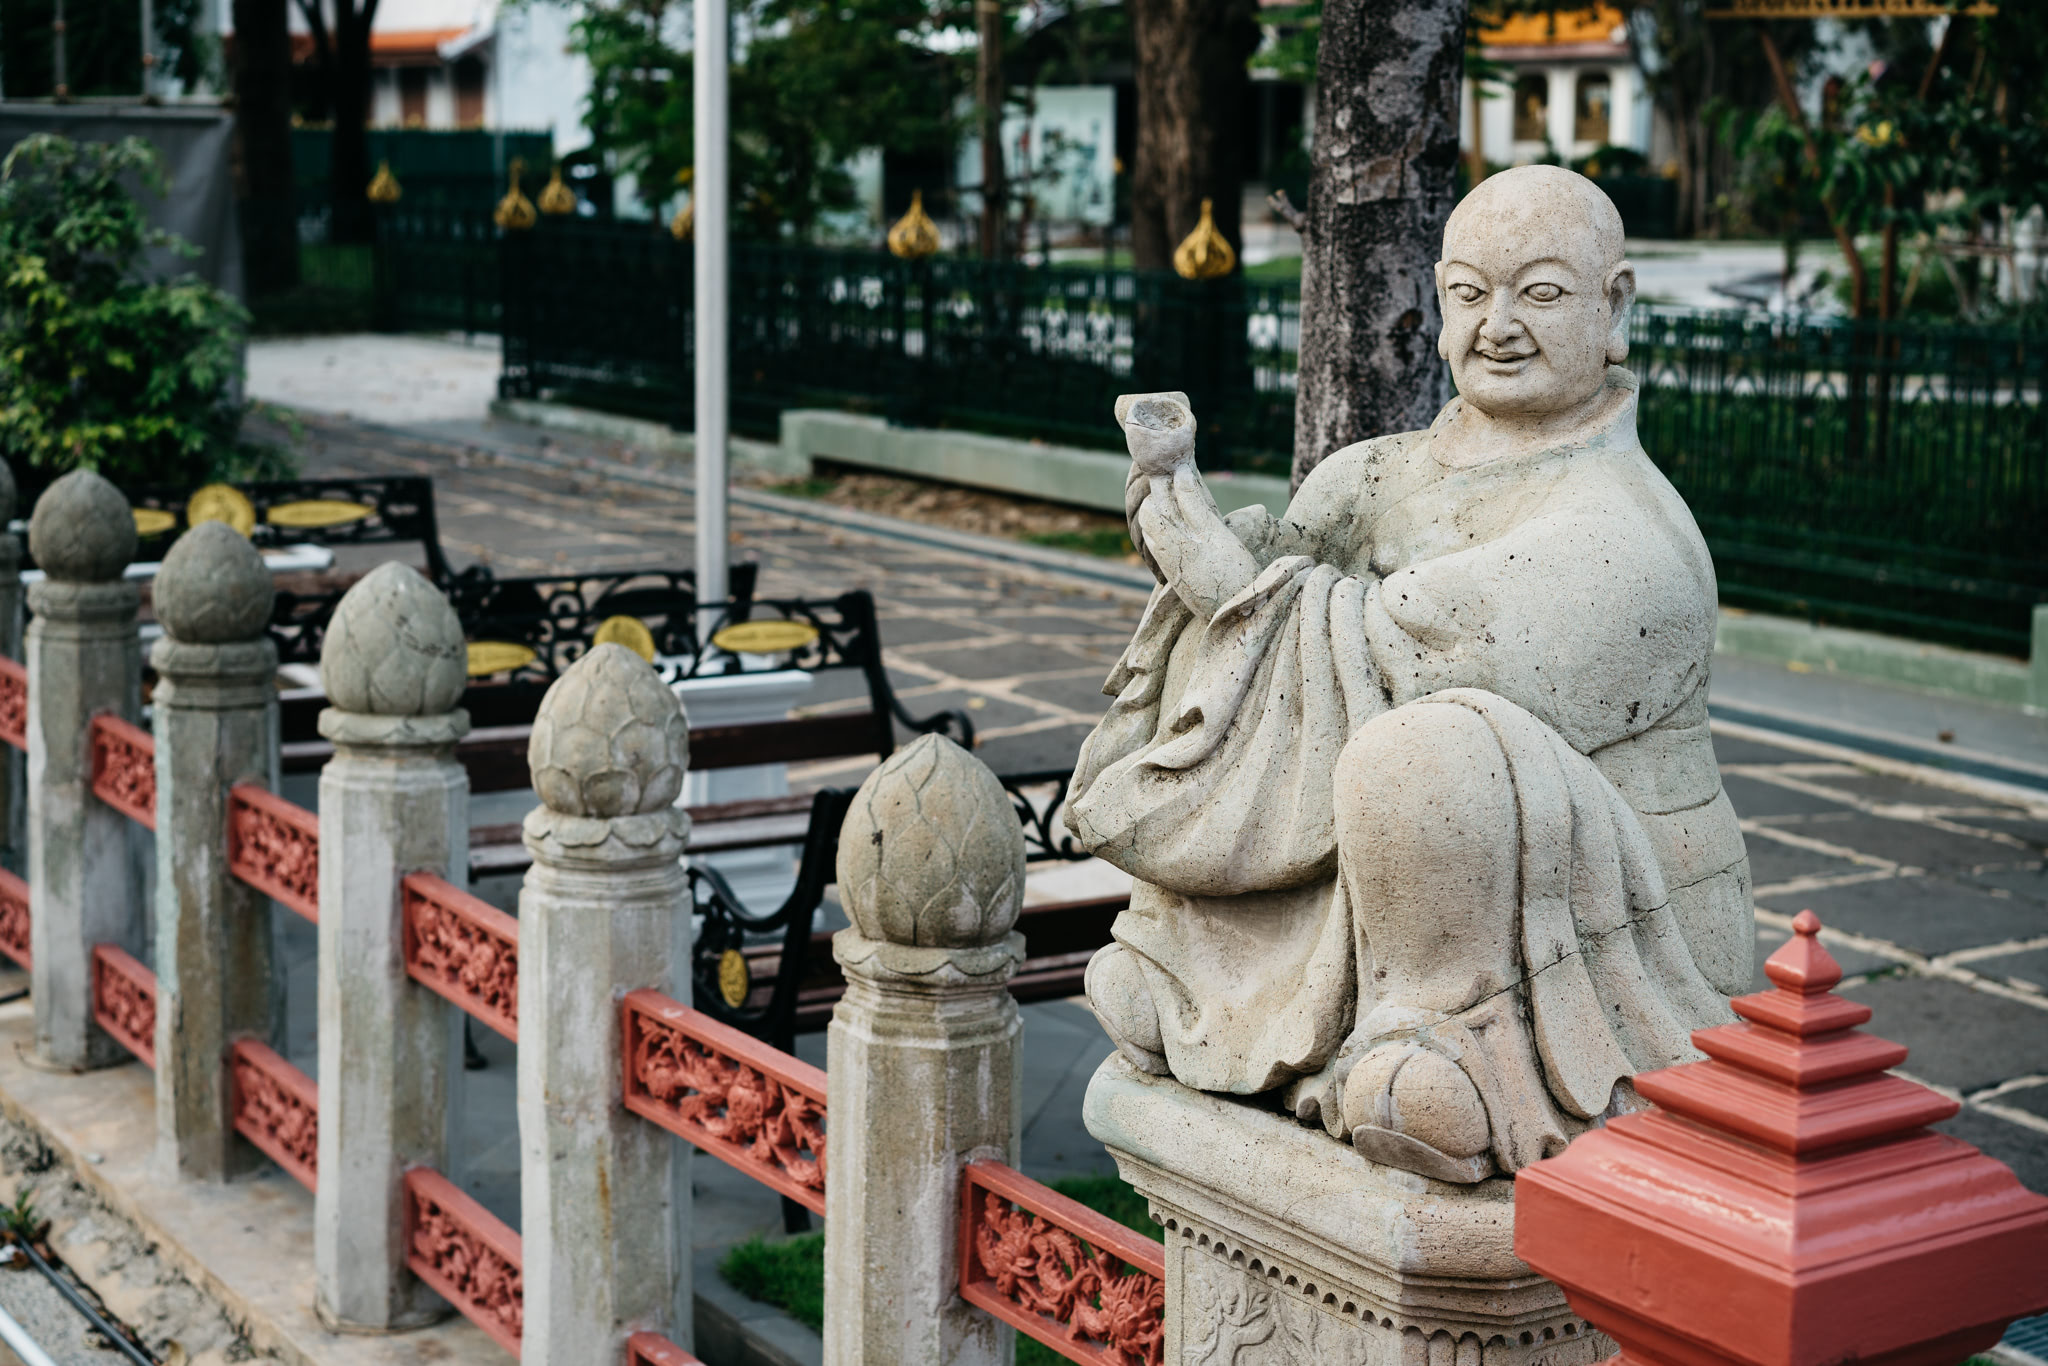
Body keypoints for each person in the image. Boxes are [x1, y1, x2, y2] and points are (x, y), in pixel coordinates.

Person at [1070, 165, 1749, 1183]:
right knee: (1305, 682)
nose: (1498, 324)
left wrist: (1233, 589)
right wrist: (1194, 542)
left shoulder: (1627, 537)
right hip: (1367, 903)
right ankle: (1225, 984)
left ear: (1613, 307)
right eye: (1470, 293)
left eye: (1541, 293)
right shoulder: (1373, 472)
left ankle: (1449, 1038)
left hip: (1593, 940)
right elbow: (1268, 634)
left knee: (1423, 751)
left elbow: (1377, 656)